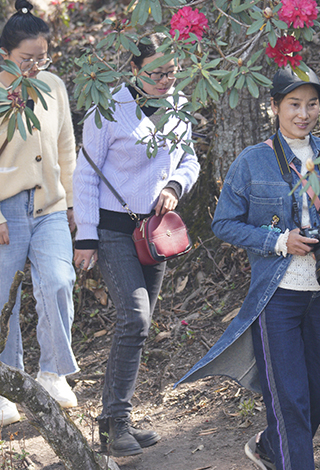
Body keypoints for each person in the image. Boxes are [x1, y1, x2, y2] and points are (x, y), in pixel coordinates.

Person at [176, 66, 320, 470]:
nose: (304, 113)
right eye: (294, 104)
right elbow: (223, 223)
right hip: (277, 299)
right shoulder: (253, 161)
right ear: (276, 106)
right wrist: (280, 241)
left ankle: (269, 446)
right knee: (290, 400)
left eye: (312, 104)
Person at [73, 32, 200, 457]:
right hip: (112, 230)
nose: (166, 80)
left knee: (137, 327)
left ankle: (112, 422)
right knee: (135, 319)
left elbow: (189, 158)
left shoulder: (177, 107)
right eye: (156, 73)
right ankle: (117, 423)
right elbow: (86, 175)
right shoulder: (108, 109)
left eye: (171, 72)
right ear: (133, 69)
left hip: (155, 232)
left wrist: (176, 186)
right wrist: (86, 237)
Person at [0, 0, 79, 426]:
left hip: (49, 206)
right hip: (4, 210)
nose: (34, 66)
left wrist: (70, 203)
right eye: (26, 59)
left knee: (58, 281)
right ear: (6, 54)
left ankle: (53, 372)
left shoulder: (55, 87)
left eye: (42, 57)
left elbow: (66, 147)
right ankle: (1, 386)